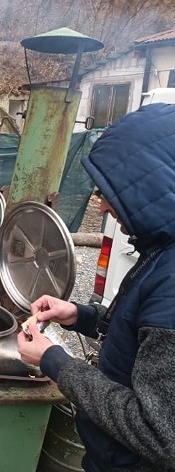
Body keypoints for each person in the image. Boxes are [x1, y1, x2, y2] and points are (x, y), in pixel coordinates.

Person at [17, 103, 175, 472]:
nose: (102, 205)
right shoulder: (161, 249)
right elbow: (139, 337)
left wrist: (55, 361)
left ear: (152, 183)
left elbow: (159, 433)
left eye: (110, 191)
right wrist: (82, 316)